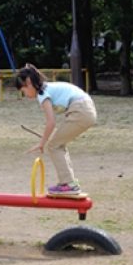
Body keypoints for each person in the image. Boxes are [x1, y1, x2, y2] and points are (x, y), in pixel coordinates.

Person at [15, 64, 97, 196]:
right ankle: (70, 183)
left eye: (23, 90)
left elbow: (51, 122)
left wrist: (42, 143)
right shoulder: (48, 88)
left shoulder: (42, 94)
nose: (25, 94)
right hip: (86, 108)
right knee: (57, 144)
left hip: (81, 110)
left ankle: (68, 184)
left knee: (53, 146)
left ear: (29, 83)